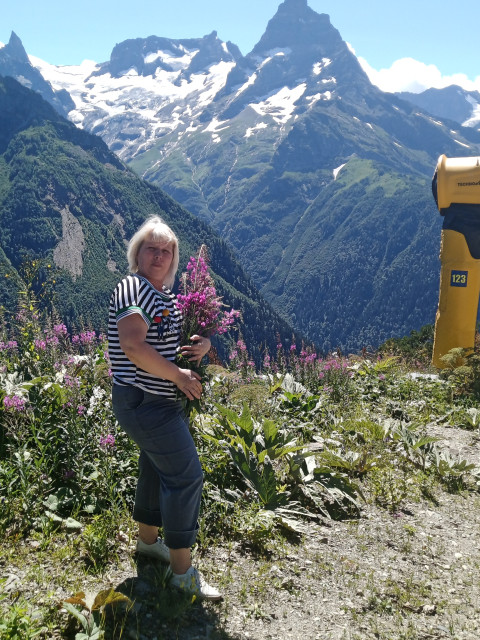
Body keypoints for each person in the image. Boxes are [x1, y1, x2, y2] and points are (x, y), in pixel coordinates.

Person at [108, 215, 221, 600]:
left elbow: (167, 346)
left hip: (154, 400)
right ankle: (182, 572)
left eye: (167, 250)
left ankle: (149, 543)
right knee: (186, 476)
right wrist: (179, 377)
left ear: (174, 258)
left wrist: (203, 345)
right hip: (144, 401)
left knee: (156, 468)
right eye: (151, 248)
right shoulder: (132, 288)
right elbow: (134, 346)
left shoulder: (164, 296)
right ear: (137, 253)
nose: (159, 255)